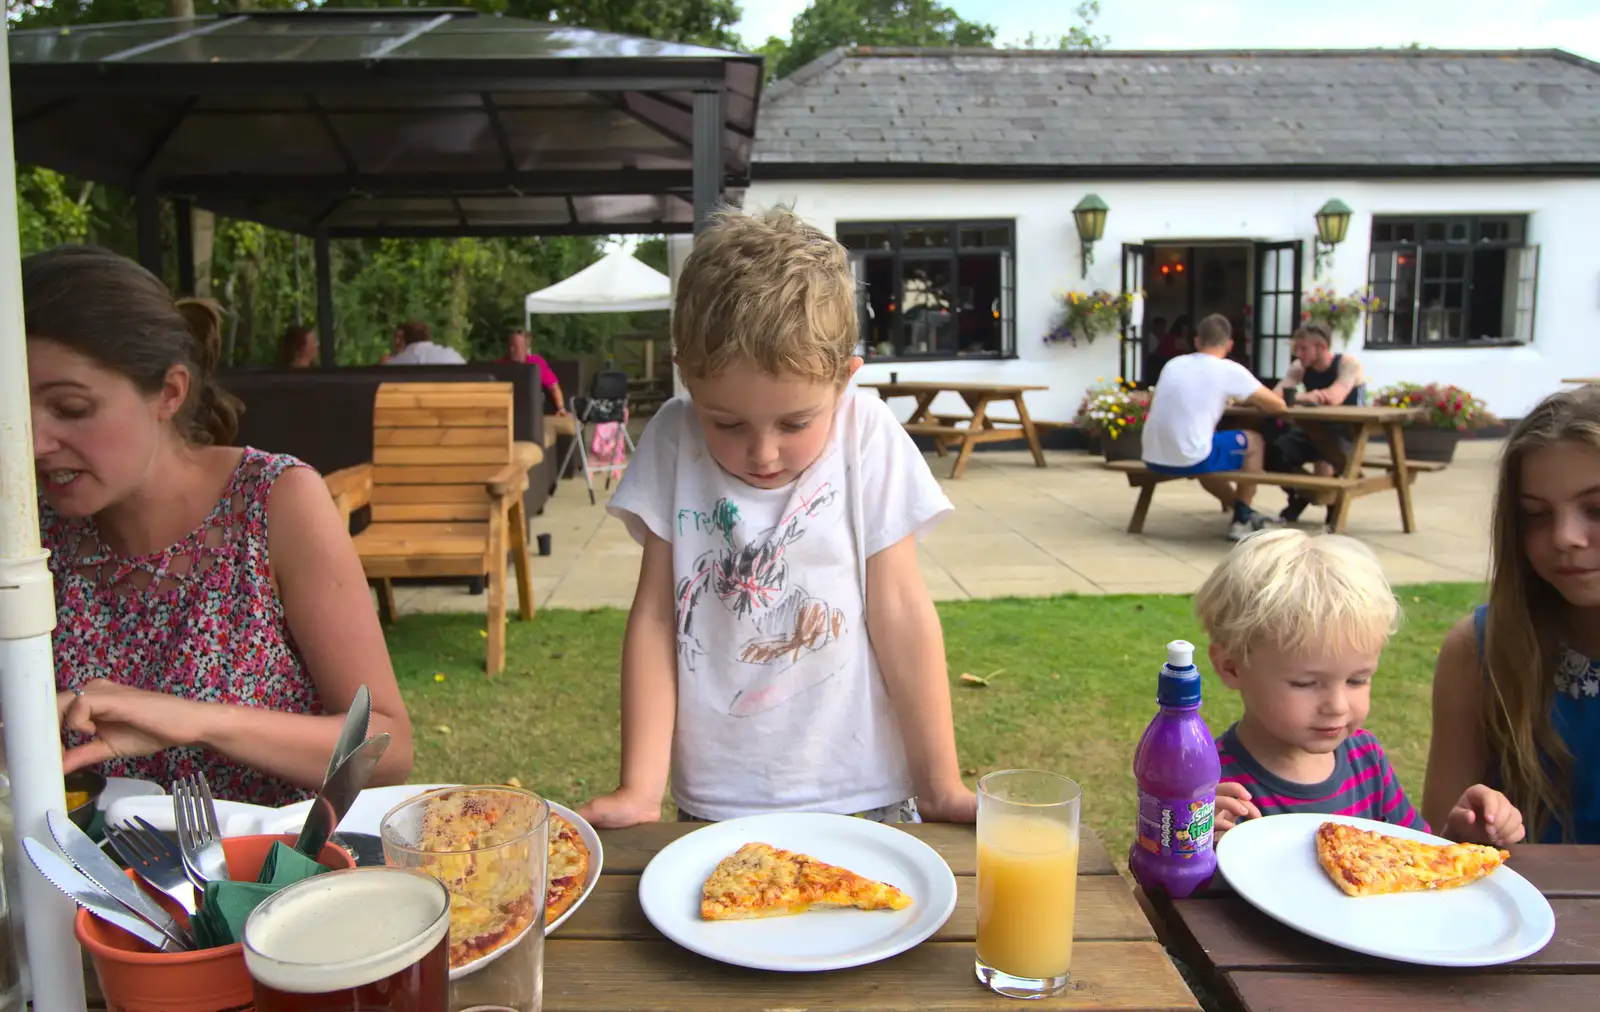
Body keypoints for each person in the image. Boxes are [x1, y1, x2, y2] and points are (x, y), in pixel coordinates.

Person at [577, 207, 975, 828]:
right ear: (686, 377)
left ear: (845, 381)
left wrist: (941, 786)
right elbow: (658, 616)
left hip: (863, 792)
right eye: (727, 423)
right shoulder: (673, 439)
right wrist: (639, 790)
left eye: (794, 423)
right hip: (717, 800)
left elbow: (899, 610)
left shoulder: (867, 434)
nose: (762, 453)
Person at [27, 246, 414, 805]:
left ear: (168, 392)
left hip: (273, 876)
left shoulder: (273, 501)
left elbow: (388, 746)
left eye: (70, 408)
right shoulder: (28, 529)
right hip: (84, 875)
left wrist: (195, 720)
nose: (36, 443)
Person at [1203, 529, 1520, 842]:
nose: (1338, 705)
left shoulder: (1367, 761)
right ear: (1231, 667)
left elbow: (1411, 857)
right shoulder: (1206, 781)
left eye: (1357, 679)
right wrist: (1189, 840)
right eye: (1306, 683)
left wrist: (1460, 837)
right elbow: (1167, 889)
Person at [1423, 387, 1600, 844]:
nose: (1565, 537)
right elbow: (1441, 841)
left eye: (1595, 509)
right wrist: (1470, 830)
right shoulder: (1480, 650)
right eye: (1535, 515)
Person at [1141, 313, 1288, 541]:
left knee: (1205, 448)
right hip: (1189, 456)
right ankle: (1241, 522)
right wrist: (1248, 398)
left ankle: (1245, 513)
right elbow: (1277, 405)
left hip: (1152, 454)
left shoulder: (1173, 364)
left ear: (1197, 341)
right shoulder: (1228, 369)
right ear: (1230, 345)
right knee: (1255, 441)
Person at [1271, 322, 1367, 524]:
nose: (1298, 353)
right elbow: (1277, 394)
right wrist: (1306, 396)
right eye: (1296, 348)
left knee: (1328, 453)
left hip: (1345, 432)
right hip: (1311, 429)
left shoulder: (1347, 364)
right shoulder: (1300, 367)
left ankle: (1333, 507)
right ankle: (1301, 495)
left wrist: (1299, 397)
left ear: (1322, 347)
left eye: (1303, 348)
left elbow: (1334, 397)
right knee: (1273, 452)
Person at [497, 328, 568, 415]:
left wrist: (560, 408)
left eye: (515, 347)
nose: (511, 350)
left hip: (532, 410)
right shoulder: (500, 364)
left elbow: (554, 387)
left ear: (526, 347)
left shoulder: (536, 363)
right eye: (510, 345)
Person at [384, 320, 464, 365]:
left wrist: (385, 363)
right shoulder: (451, 353)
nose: (396, 342)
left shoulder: (414, 353)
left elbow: (389, 369)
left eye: (400, 338)